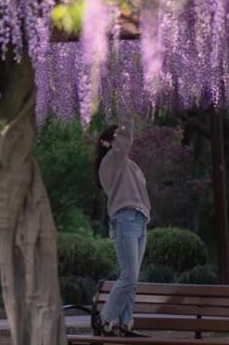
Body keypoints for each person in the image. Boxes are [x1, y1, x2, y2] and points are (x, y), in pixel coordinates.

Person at [94, 122, 151, 336]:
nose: (123, 141)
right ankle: (104, 318)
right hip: (124, 220)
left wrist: (146, 212)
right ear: (108, 143)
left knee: (131, 278)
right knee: (129, 275)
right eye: (117, 137)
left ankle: (126, 323)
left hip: (139, 219)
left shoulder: (129, 164)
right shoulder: (111, 161)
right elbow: (125, 138)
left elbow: (141, 192)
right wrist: (129, 106)